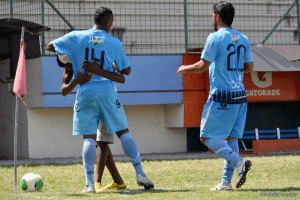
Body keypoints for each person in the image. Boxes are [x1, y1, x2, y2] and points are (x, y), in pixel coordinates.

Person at [46, 7, 154, 193]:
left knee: (88, 137)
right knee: (123, 133)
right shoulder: (114, 42)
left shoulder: (76, 36)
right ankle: (140, 173)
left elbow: (50, 46)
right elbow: (126, 71)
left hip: (85, 88)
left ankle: (89, 184)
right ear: (108, 22)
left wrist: (73, 56)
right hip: (106, 89)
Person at [177, 1, 254, 191]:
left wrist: (184, 68)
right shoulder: (243, 38)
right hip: (240, 96)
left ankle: (238, 162)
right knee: (231, 138)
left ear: (217, 17)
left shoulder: (215, 38)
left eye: (212, 15)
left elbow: (202, 66)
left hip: (222, 95)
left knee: (206, 137)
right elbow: (250, 67)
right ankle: (226, 182)